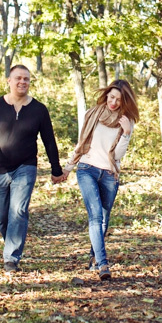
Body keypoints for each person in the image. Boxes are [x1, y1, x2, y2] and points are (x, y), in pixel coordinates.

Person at [0, 64, 67, 272]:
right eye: (18, 78)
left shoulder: (39, 109)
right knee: (0, 215)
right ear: (9, 80)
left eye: (26, 79)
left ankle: (11, 258)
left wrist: (56, 169)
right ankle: (11, 244)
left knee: (18, 211)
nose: (22, 82)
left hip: (26, 167)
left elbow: (49, 141)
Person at [62, 79, 139, 281]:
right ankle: (103, 264)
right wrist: (68, 168)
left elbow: (118, 155)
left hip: (109, 175)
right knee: (95, 216)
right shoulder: (93, 113)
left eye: (118, 100)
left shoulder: (126, 121)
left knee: (104, 219)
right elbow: (82, 143)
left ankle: (94, 258)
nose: (113, 103)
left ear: (125, 102)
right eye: (111, 97)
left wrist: (127, 134)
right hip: (87, 168)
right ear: (106, 95)